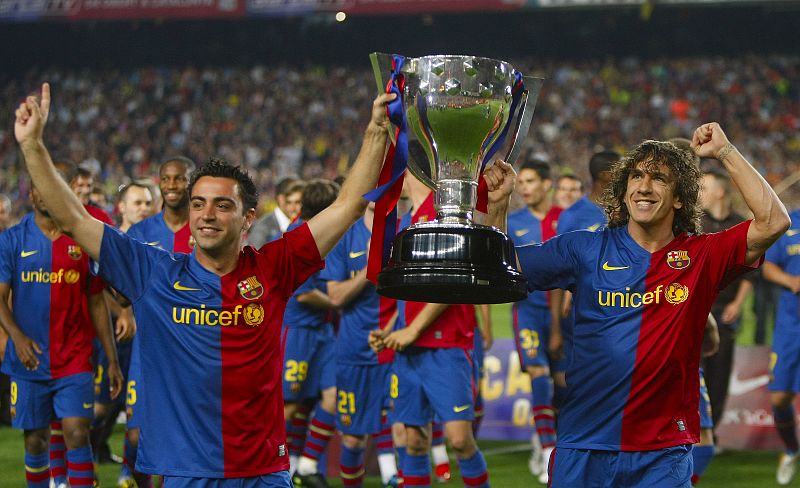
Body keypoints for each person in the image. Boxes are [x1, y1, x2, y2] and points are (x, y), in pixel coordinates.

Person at [14, 82, 394, 487]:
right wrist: (33, 146)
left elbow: (348, 205)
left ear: (248, 217)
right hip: (187, 474)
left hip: (263, 473)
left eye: (222, 205)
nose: (207, 214)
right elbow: (74, 219)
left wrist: (376, 130)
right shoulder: (152, 272)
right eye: (198, 204)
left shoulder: (274, 267)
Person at [482, 123, 788, 487]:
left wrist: (725, 151)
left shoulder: (701, 256)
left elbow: (773, 221)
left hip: (663, 454)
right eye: (636, 176)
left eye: (659, 178)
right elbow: (500, 269)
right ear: (624, 191)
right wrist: (497, 206)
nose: (644, 186)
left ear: (679, 197)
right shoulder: (584, 248)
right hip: (584, 445)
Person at [0, 163, 123, 488]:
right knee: (35, 440)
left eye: (52, 185)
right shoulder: (12, 240)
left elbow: (96, 301)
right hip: (29, 360)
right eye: (38, 186)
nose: (44, 192)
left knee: (77, 432)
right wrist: (17, 338)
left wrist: (111, 358)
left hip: (75, 357)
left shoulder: (82, 239)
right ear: (31, 194)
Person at [370, 170, 490, 488]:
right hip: (409, 351)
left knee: (460, 440)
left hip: (447, 346)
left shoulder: (445, 213)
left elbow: (454, 281)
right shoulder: (407, 220)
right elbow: (410, 293)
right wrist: (393, 329)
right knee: (414, 441)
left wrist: (412, 330)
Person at [318, 200, 399, 488]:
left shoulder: (405, 230)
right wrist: (370, 267)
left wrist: (394, 329)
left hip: (397, 346)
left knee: (405, 432)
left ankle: (396, 474)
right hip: (354, 350)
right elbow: (336, 296)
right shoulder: (346, 236)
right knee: (352, 438)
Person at [280, 179, 339, 487]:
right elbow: (304, 294)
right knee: (288, 405)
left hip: (322, 330)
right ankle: (270, 468)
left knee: (331, 397)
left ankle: (306, 465)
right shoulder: (298, 237)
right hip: (298, 331)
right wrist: (338, 302)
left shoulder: (319, 232)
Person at [507, 159, 563, 483]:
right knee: (539, 375)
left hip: (563, 314)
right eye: (521, 182)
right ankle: (547, 450)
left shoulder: (564, 219)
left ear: (546, 184)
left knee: (563, 383)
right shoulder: (513, 223)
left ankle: (545, 436)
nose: (524, 188)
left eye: (530, 181)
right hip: (527, 311)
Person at [699, 167, 754, 431]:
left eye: (704, 188)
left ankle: (713, 430)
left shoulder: (742, 225)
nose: (699, 193)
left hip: (725, 310)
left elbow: (751, 272)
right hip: (698, 308)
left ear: (720, 192)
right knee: (693, 369)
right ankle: (693, 428)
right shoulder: (694, 224)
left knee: (719, 374)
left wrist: (737, 304)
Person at [762, 207, 800, 485]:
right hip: (790, 326)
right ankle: (791, 449)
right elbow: (768, 266)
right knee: (779, 398)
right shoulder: (788, 223)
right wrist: (790, 280)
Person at [247, 178, 305, 248]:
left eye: (299, 202)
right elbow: (255, 253)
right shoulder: (263, 227)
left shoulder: (301, 223)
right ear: (281, 199)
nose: (296, 207)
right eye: (296, 202)